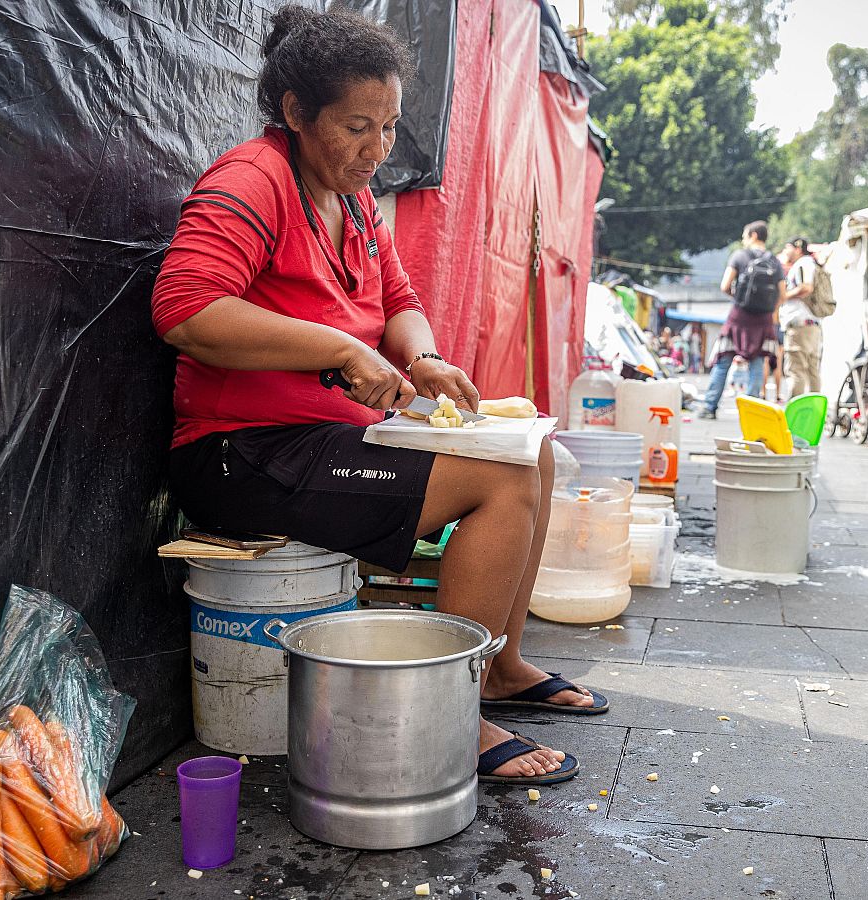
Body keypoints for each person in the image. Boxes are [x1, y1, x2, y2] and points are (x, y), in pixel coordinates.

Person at [151, 5, 598, 787]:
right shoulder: (253, 180)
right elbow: (185, 310)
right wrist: (340, 348)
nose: (379, 149)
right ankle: (453, 712)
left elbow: (398, 301)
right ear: (296, 113)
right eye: (359, 127)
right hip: (241, 453)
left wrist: (420, 358)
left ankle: (501, 666)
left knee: (536, 455)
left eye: (389, 127)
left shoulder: (354, 199)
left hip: (324, 441)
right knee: (501, 481)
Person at [694, 221, 783, 418]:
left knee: (723, 360)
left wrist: (740, 299)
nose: (743, 240)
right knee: (757, 363)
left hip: (739, 317)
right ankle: (751, 412)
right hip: (763, 320)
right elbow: (782, 294)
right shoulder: (774, 262)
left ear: (752, 235)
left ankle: (710, 407)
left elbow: (725, 286)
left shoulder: (740, 256)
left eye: (744, 236)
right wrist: (770, 312)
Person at [779, 237, 824, 400]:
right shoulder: (810, 263)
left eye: (787, 247)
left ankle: (794, 417)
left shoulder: (803, 264)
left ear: (797, 248)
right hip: (811, 325)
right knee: (812, 371)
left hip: (800, 326)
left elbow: (806, 287)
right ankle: (814, 415)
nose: (785, 252)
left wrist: (783, 296)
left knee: (796, 370)